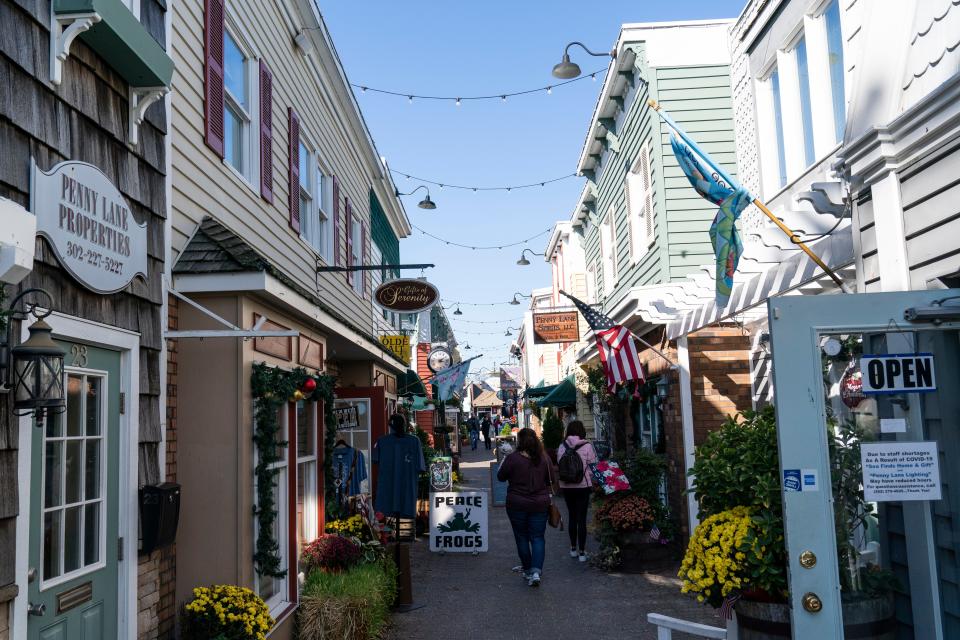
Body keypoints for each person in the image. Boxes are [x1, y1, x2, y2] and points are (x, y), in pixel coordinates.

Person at [497, 427, 554, 587]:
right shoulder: (544, 458)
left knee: (521, 536)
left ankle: (528, 569)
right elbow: (552, 480)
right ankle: (536, 571)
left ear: (519, 442)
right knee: (538, 537)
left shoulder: (513, 458)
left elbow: (500, 477)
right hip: (539, 503)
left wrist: (505, 459)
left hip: (517, 503)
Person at [556, 421, 598, 562]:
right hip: (582, 486)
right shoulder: (587, 446)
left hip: (567, 486)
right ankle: (582, 552)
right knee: (582, 518)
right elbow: (592, 468)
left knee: (572, 517)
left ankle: (573, 548)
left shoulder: (562, 446)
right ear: (582, 431)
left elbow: (560, 465)